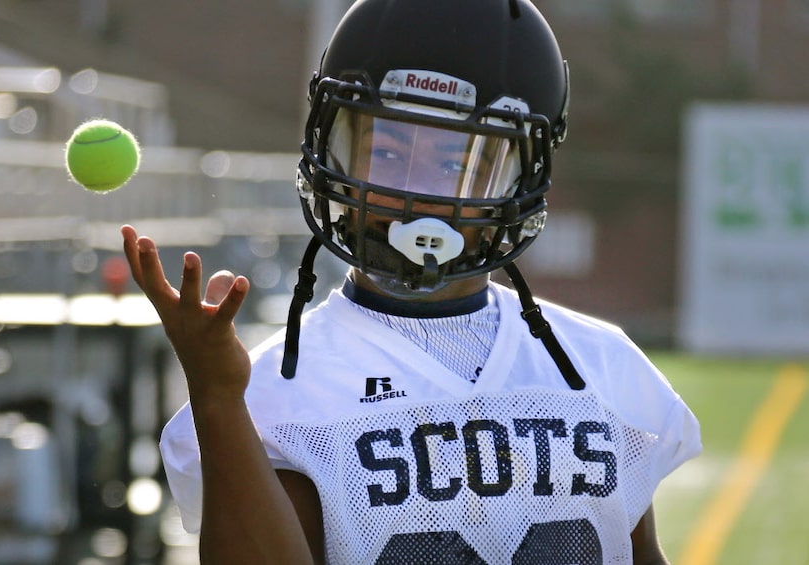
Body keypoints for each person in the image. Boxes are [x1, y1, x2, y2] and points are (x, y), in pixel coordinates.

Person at [122, 0, 702, 563]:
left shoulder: (600, 367)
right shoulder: (278, 393)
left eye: (455, 163)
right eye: (389, 152)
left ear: (519, 178)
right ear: (337, 151)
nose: (415, 193)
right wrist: (218, 398)